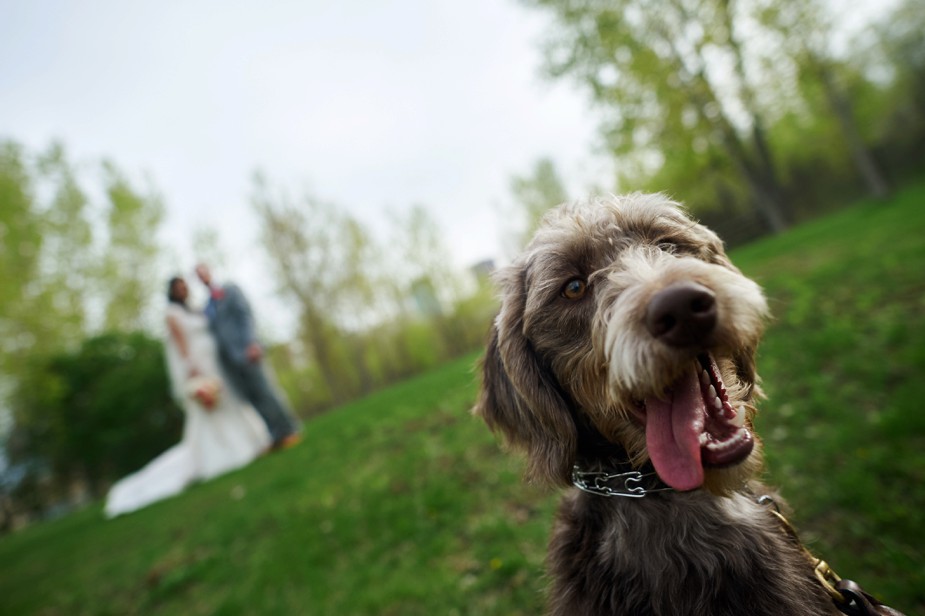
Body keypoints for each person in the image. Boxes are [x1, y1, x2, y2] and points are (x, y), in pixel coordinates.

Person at [104, 277, 271, 517]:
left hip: (215, 363)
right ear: (171, 292)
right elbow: (181, 342)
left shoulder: (195, 309)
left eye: (185, 286)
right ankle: (222, 456)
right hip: (200, 366)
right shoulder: (172, 313)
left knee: (230, 403)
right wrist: (192, 367)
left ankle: (252, 442)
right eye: (179, 287)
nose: (184, 290)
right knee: (212, 412)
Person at [194, 263, 301, 450]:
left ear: (210, 271)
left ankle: (290, 430)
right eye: (197, 275)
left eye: (203, 272)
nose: (202, 276)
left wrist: (252, 343)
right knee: (251, 397)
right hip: (230, 361)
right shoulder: (206, 306)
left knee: (265, 391)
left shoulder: (230, 289)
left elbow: (245, 315)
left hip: (247, 351)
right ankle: (275, 434)